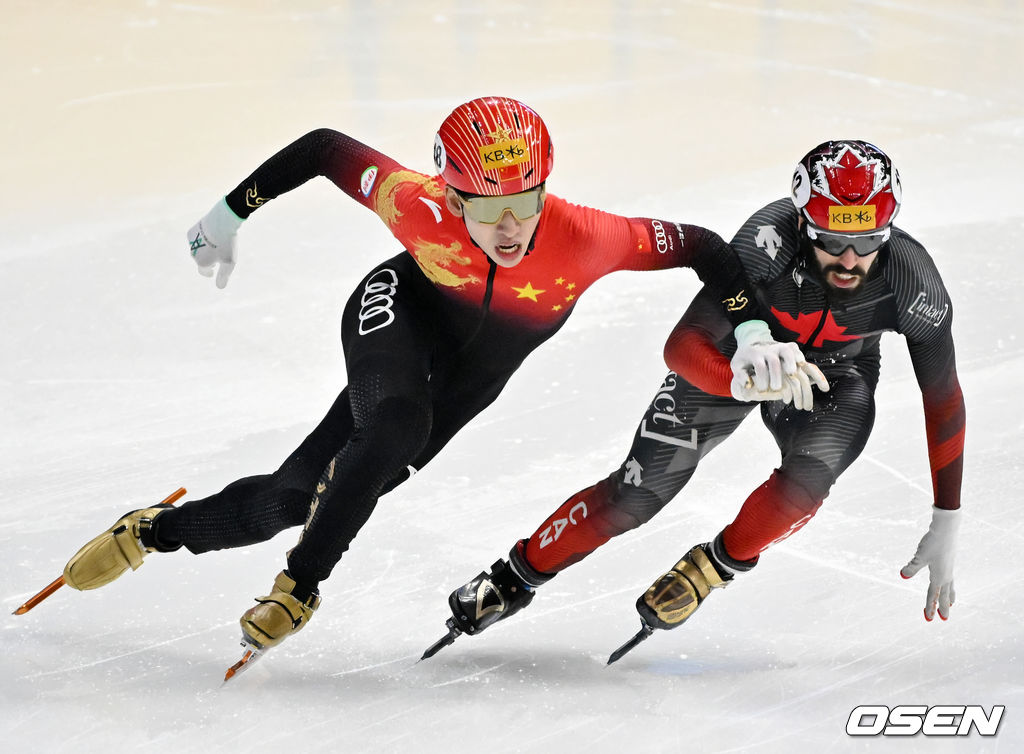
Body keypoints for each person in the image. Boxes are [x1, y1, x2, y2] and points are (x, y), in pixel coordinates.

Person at [60, 96, 748, 659]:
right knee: (394, 426)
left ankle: (150, 532)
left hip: (467, 381)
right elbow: (325, 148)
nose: (508, 227)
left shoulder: (591, 236)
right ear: (450, 194)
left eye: (525, 201)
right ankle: (299, 588)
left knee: (292, 500)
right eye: (483, 206)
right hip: (397, 314)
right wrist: (228, 213)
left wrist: (749, 330)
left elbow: (704, 248)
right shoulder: (414, 203)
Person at [440, 140, 964, 656]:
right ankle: (513, 576)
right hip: (739, 356)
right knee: (632, 496)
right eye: (832, 238)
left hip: (833, 378)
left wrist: (948, 516)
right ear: (803, 223)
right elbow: (682, 345)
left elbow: (941, 398)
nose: (851, 259)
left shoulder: (911, 280)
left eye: (870, 240)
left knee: (805, 486)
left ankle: (712, 568)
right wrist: (738, 377)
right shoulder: (768, 240)